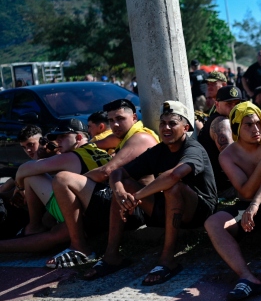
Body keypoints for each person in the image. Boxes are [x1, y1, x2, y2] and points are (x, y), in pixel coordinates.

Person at [89, 101, 217, 285]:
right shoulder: (157, 151)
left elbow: (174, 175)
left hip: (197, 212)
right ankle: (111, 256)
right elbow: (118, 172)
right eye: (163, 123)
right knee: (123, 185)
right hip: (166, 208)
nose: (166, 128)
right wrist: (118, 191)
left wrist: (137, 197)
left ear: (186, 127)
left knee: (173, 187)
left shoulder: (193, 149)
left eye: (172, 123)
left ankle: (167, 261)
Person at [48, 99, 160, 273]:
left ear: (134, 118)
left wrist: (79, 181)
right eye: (111, 120)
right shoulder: (126, 136)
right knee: (51, 221)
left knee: (63, 180)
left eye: (120, 118)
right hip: (126, 201)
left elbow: (106, 172)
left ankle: (80, 247)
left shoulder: (141, 138)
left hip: (138, 209)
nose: (115, 124)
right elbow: (97, 143)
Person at [204, 102, 261, 300]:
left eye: (257, 123)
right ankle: (247, 277)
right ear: (237, 128)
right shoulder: (228, 154)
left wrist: (255, 203)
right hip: (248, 206)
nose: (256, 129)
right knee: (213, 223)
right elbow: (244, 191)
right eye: (248, 125)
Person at [0, 120, 110, 255]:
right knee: (51, 224)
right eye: (56, 138)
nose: (58, 142)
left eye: (62, 137)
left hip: (83, 212)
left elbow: (24, 169)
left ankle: (33, 227)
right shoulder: (100, 151)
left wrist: (19, 186)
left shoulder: (71, 156)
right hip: (100, 205)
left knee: (31, 178)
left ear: (79, 137)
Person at [197, 85, 243, 197]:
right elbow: (234, 159)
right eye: (229, 104)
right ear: (217, 104)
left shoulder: (221, 119)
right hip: (225, 189)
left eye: (237, 104)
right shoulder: (222, 123)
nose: (234, 107)